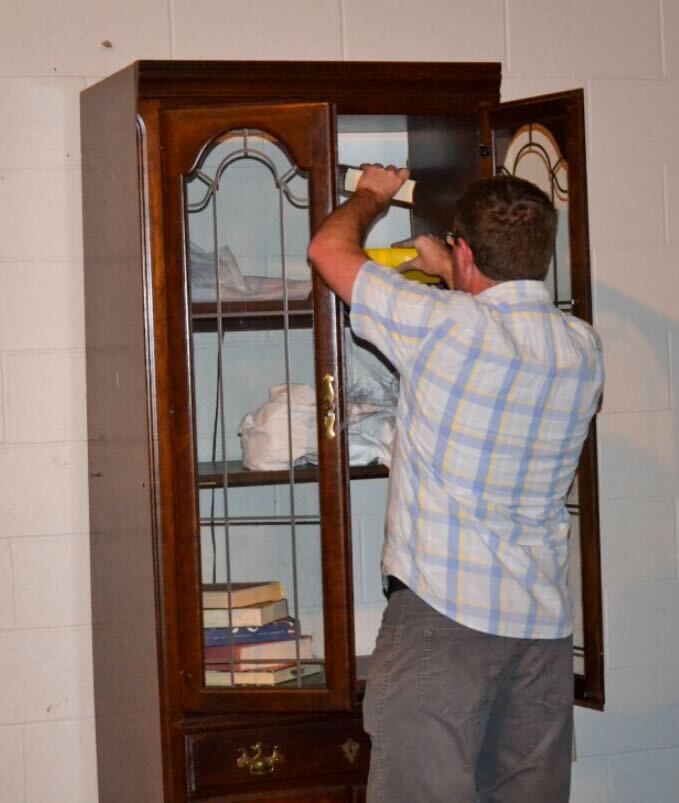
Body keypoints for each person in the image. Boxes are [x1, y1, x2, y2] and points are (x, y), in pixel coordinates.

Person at [307, 165, 604, 803]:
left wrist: (372, 196)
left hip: (443, 624)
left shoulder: (441, 325)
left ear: (465, 251)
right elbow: (499, 319)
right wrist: (454, 273)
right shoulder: (582, 348)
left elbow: (328, 250)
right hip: (540, 631)